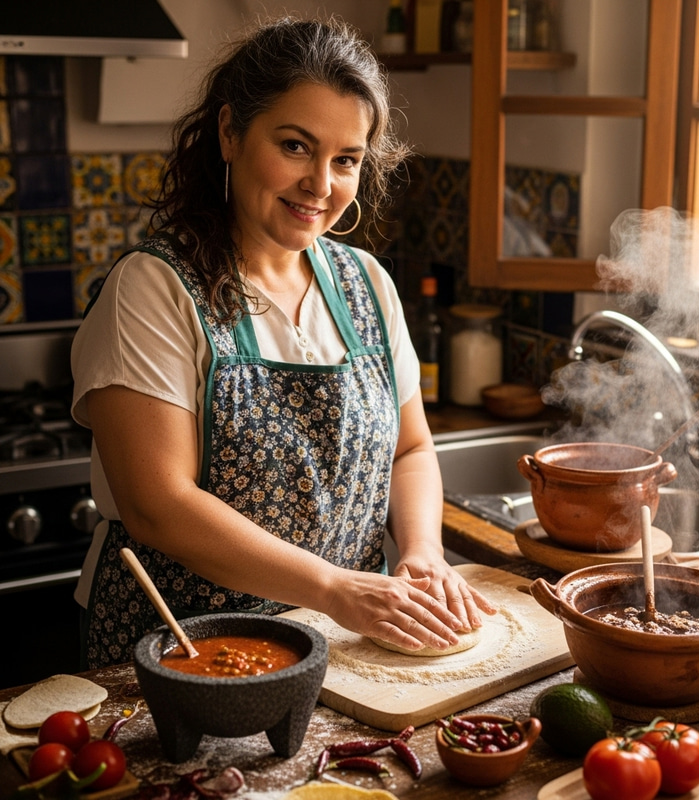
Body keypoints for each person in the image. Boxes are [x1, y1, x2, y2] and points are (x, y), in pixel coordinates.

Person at [71, 14, 495, 669]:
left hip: (348, 646)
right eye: (295, 146)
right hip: (188, 654)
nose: (321, 185)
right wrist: (334, 588)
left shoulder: (368, 287)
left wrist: (421, 553)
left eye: (346, 160)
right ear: (230, 133)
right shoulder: (153, 290)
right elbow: (158, 505)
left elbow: (411, 448)